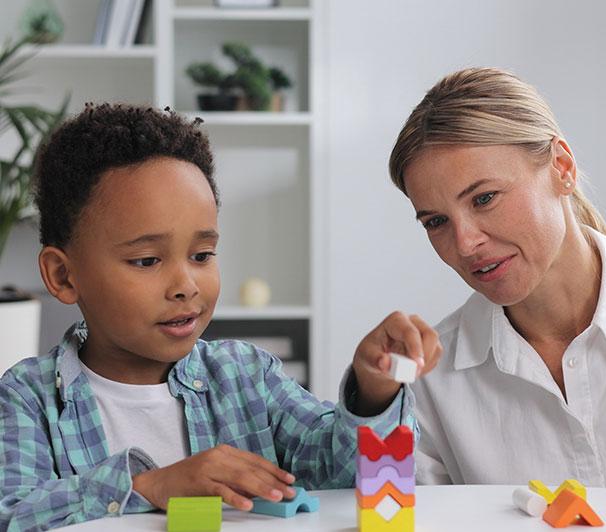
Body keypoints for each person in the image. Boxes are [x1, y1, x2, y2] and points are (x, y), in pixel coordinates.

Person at [0, 103, 442, 530]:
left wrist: (374, 389)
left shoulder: (246, 377)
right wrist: (149, 487)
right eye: (147, 260)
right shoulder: (28, 398)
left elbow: (340, 470)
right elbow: (12, 512)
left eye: (202, 254)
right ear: (63, 275)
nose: (186, 285)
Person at [380, 67, 606, 493]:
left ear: (562, 168)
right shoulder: (429, 385)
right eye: (436, 221)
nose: (466, 243)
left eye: (485, 198)